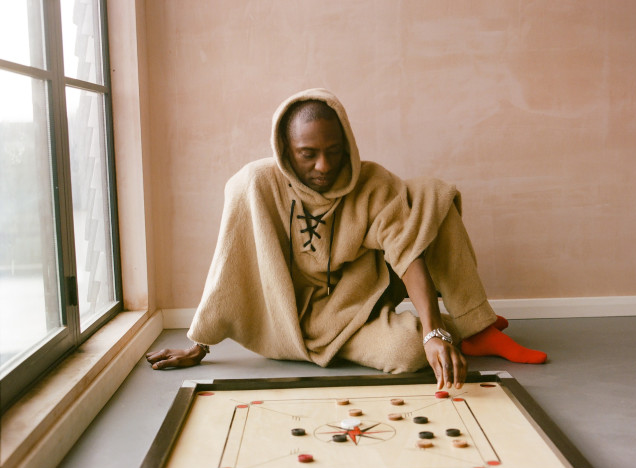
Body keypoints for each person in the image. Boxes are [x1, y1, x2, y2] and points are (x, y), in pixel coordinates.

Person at [146, 88, 546, 389]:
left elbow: (407, 253)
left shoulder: (372, 182)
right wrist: (199, 346)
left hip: (359, 300)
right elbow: (227, 265)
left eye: (335, 152)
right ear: (284, 148)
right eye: (308, 154)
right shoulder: (253, 185)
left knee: (429, 195)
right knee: (407, 352)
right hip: (298, 323)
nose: (324, 166)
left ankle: (473, 329)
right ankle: (453, 327)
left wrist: (432, 331)